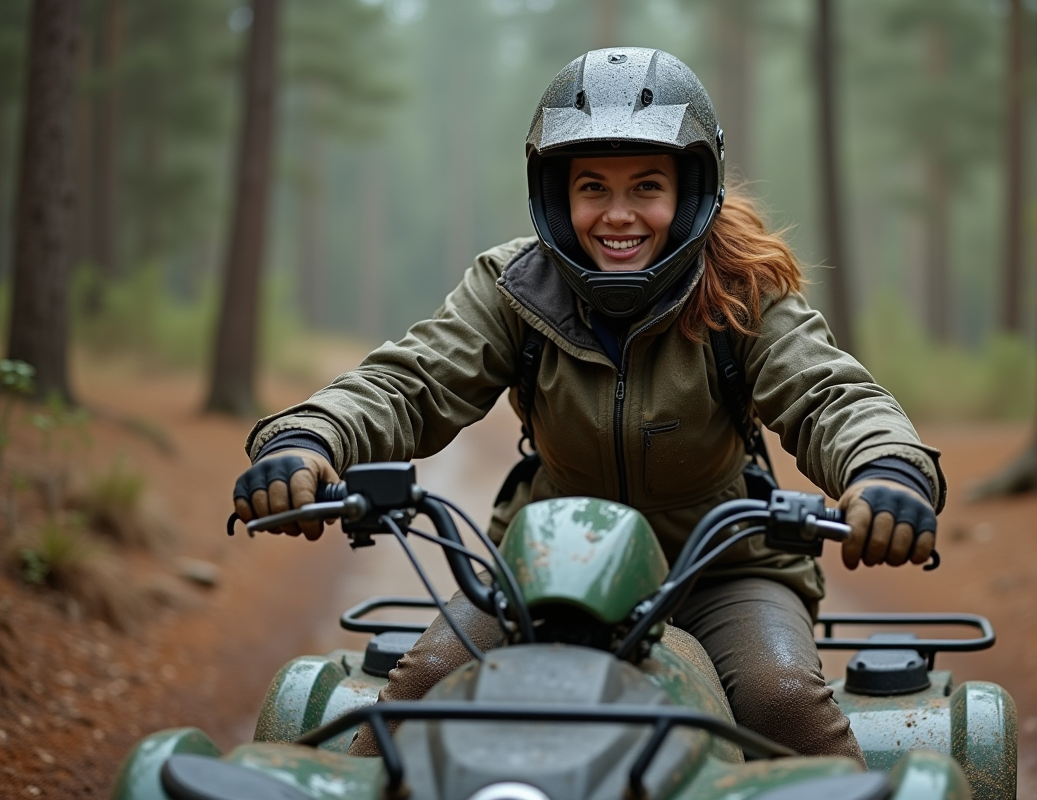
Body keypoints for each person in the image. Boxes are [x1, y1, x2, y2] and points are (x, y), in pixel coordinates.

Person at [232, 48, 944, 766]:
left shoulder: (742, 292)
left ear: (692, 189)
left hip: (723, 571)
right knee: (420, 694)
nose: (619, 214)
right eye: (592, 187)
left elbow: (828, 393)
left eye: (647, 186)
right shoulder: (513, 289)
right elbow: (410, 382)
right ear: (555, 195)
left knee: (780, 699)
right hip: (547, 565)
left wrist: (887, 468)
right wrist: (308, 438)